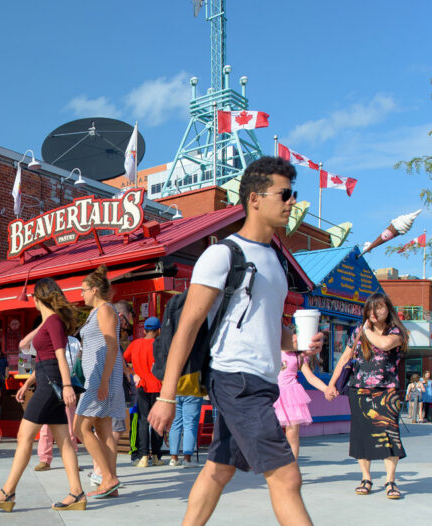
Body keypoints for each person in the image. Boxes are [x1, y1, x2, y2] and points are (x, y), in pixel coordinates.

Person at [148, 156, 325, 526]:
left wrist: (299, 344)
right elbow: (188, 327)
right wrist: (166, 396)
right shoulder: (222, 254)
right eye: (285, 194)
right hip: (235, 379)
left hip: (262, 380)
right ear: (255, 199)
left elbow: (269, 328)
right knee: (287, 476)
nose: (292, 202)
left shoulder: (275, 261)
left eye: (294, 194)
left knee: (219, 469)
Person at [0, 277, 86, 512]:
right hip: (48, 382)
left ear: (39, 297)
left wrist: (67, 386)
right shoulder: (50, 321)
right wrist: (27, 383)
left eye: (34, 297)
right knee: (64, 441)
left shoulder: (54, 322)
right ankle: (77, 493)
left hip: (52, 386)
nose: (32, 301)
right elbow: (41, 358)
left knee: (24, 436)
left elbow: (60, 356)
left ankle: (8, 491)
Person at [326, 292, 408, 500]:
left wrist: (365, 330)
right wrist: (331, 383)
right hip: (359, 390)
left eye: (379, 307)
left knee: (389, 436)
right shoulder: (357, 332)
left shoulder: (398, 332)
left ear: (388, 309)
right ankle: (366, 477)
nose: (373, 312)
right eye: (370, 308)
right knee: (361, 436)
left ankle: (390, 480)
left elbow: (384, 344)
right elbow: (345, 357)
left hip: (387, 392)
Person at [72, 265, 125, 498]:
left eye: (83, 290)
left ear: (94, 290)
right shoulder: (98, 311)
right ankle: (110, 484)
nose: (80, 294)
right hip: (100, 377)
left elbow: (112, 345)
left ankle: (108, 477)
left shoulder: (105, 310)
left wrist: (103, 381)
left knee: (80, 427)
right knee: (104, 431)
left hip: (100, 378)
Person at [24, 332, 79, 472]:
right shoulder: (45, 340)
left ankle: (72, 460)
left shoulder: (74, 342)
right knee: (45, 427)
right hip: (49, 387)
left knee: (70, 426)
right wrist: (26, 384)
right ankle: (45, 459)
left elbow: (75, 365)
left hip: (67, 386)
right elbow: (26, 350)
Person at [125, 317, 165, 467]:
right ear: (158, 330)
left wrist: (132, 372)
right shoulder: (159, 344)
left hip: (141, 385)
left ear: (145, 329)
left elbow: (123, 359)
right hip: (159, 387)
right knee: (158, 422)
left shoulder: (135, 344)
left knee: (143, 420)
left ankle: (143, 457)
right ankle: (156, 456)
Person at [275, 350, 329, 459]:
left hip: (292, 397)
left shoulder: (298, 356)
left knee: (292, 435)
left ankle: (292, 466)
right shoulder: (270, 348)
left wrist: (326, 389)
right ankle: (276, 467)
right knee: (272, 435)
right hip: (272, 395)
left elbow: (311, 377)